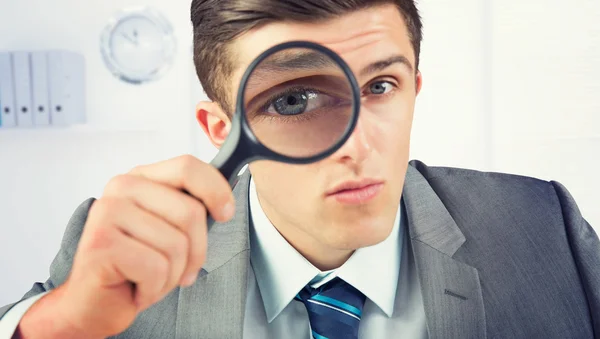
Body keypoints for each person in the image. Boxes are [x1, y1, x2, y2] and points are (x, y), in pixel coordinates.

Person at [1, 1, 599, 338]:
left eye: (382, 85)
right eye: (293, 100)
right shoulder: (123, 251)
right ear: (220, 131)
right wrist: (64, 323)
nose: (358, 144)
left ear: (415, 89)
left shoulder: (542, 227)